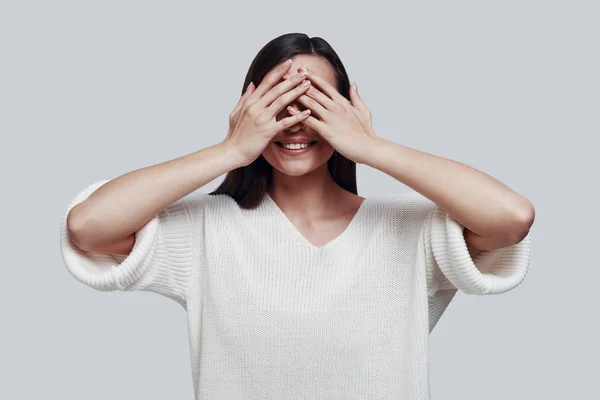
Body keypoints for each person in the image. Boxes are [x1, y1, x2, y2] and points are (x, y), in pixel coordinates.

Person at [59, 32, 535, 399]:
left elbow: (511, 217)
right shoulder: (207, 230)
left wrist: (372, 148)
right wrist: (230, 149)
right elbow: (88, 227)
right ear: (250, 108)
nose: (296, 121)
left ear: (346, 110)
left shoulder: (408, 231)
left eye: (313, 102)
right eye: (278, 101)